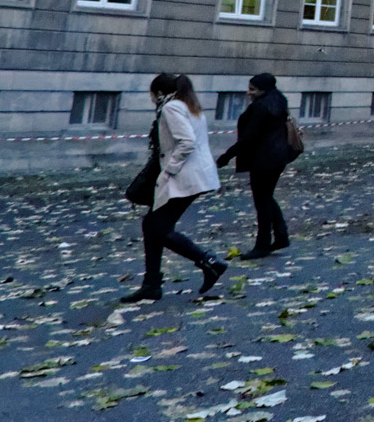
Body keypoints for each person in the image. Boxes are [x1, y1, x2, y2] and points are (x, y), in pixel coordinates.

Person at [119, 74, 227, 304]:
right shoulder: (189, 105)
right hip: (194, 176)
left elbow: (187, 142)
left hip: (184, 177)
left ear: (158, 92)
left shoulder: (171, 108)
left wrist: (168, 170)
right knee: (152, 226)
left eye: (151, 93)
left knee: (156, 226)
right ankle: (151, 285)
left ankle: (208, 262)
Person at [214, 72, 292, 258]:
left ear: (263, 90)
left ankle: (263, 245)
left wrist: (226, 156)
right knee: (266, 198)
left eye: (253, 89)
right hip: (277, 156)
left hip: (263, 159)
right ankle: (280, 236)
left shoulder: (261, 108)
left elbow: (249, 137)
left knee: (262, 202)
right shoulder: (278, 100)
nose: (249, 92)